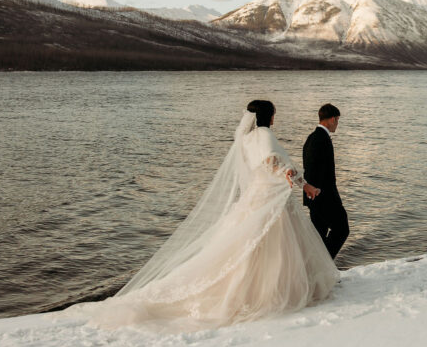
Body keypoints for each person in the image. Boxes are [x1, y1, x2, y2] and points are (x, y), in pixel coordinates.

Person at [76, 100, 338, 331]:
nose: (274, 118)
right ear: (268, 116)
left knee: (246, 247)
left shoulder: (245, 140)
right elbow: (272, 161)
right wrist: (298, 181)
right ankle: (268, 294)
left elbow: (258, 165)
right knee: (272, 247)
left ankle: (246, 289)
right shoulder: (264, 134)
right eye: (273, 114)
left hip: (254, 196)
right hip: (269, 198)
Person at [302, 103, 349, 260]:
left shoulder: (311, 137)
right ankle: (324, 266)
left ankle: (317, 272)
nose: (337, 124)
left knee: (318, 237)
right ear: (333, 119)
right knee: (342, 229)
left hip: (314, 197)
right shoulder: (321, 139)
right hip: (323, 197)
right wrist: (320, 193)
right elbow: (315, 171)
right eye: (337, 120)